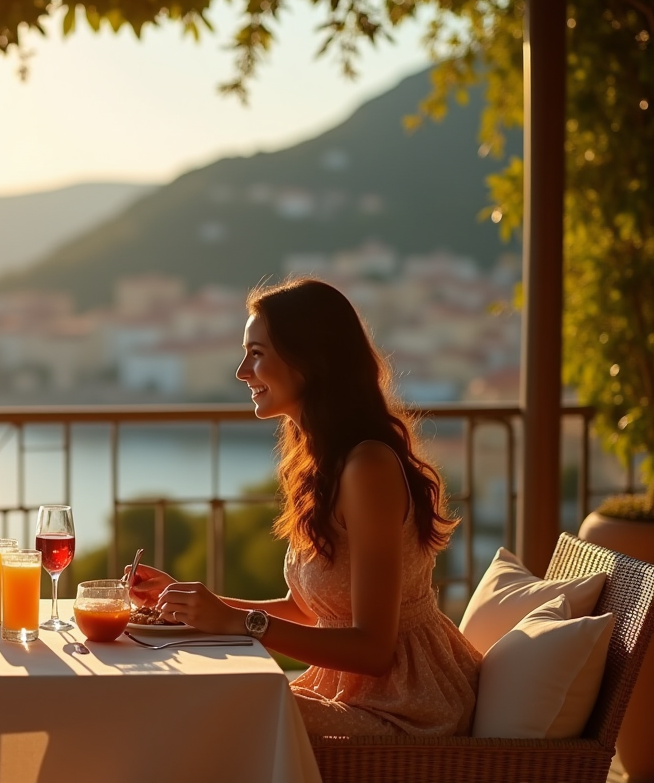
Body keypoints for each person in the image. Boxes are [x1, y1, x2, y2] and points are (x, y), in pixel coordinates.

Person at [128, 278, 481, 736]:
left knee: (213, 710)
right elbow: (309, 611)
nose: (241, 372)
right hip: (352, 691)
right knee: (197, 700)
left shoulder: (368, 468)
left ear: (310, 360)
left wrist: (236, 622)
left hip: (408, 707)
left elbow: (374, 651)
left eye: (256, 353)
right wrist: (193, 605)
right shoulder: (324, 463)